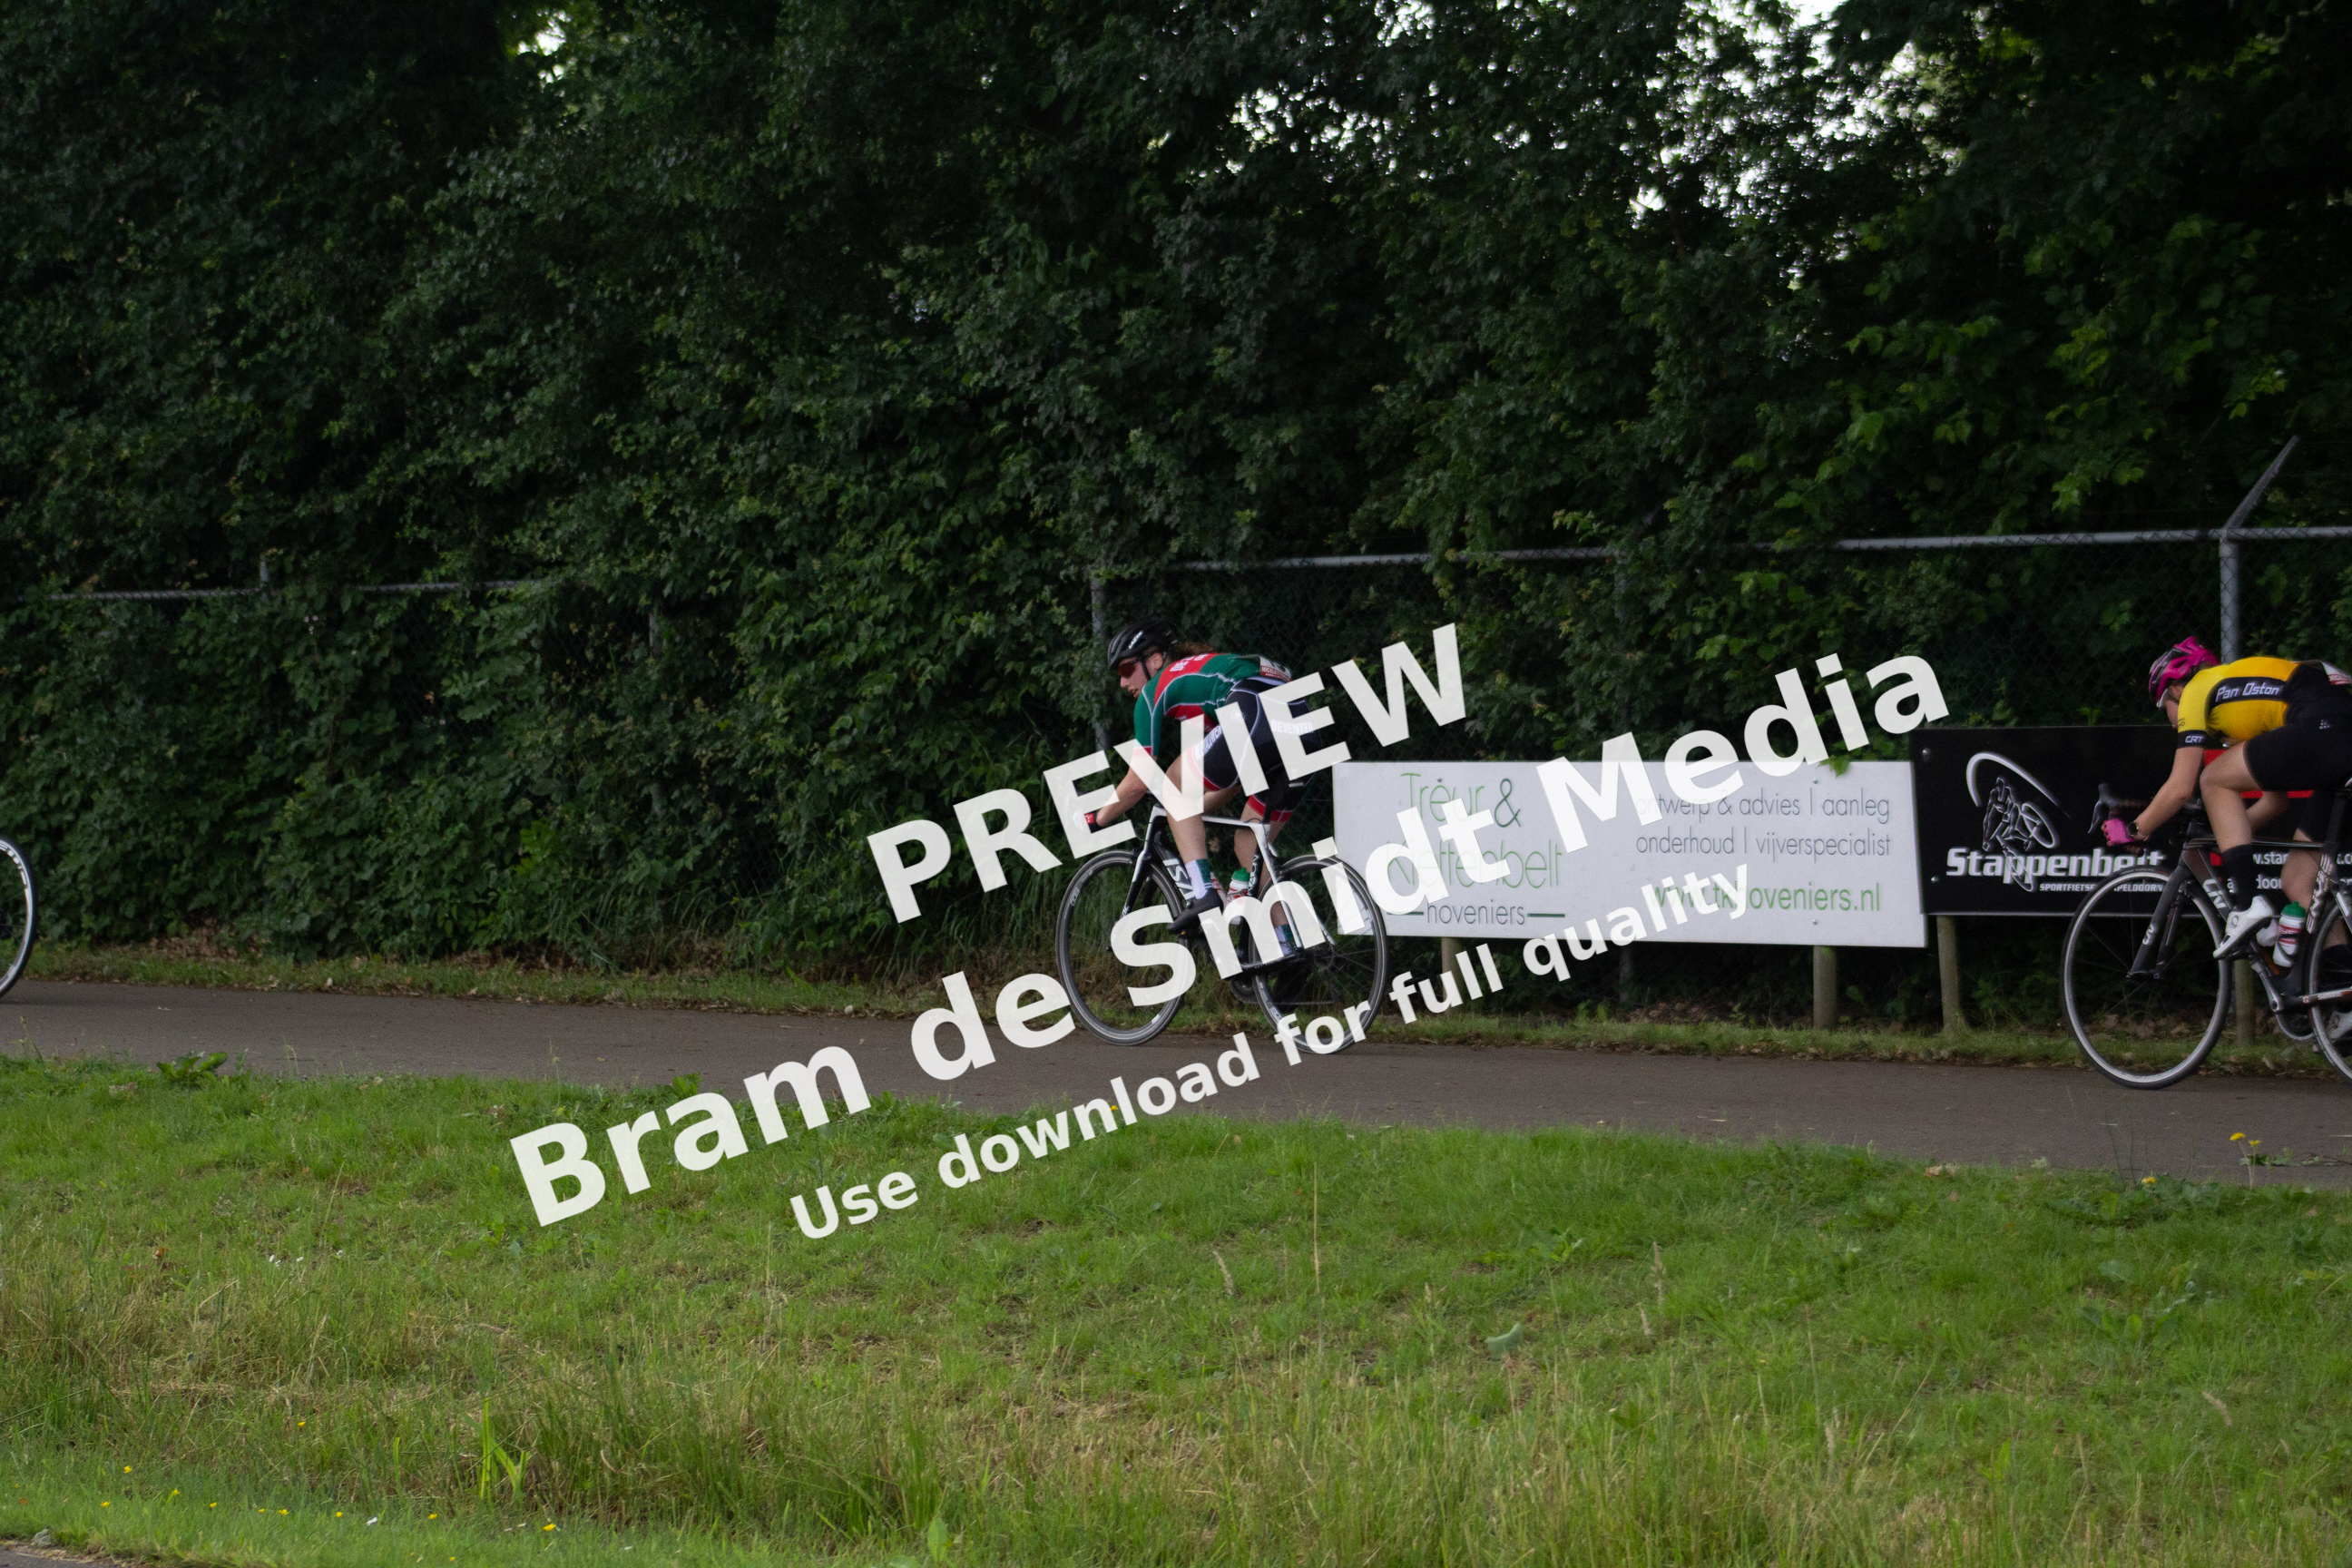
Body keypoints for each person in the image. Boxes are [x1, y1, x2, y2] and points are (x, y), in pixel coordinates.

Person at [2103, 637, 2352, 961]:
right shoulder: (2246, 702)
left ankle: (2248, 905)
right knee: (2298, 882)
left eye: (2164, 707)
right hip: (2335, 734)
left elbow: (2180, 787)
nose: (2171, 721)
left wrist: (2136, 829)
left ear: (2175, 689)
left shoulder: (2197, 688)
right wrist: (2225, 834)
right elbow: (2274, 803)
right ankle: (2344, 990)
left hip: (2323, 727)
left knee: (2213, 778)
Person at [1088, 619, 1307, 931]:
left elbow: (1139, 781)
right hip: (1304, 729)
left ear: (1155, 660)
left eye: (1126, 669)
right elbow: (1237, 778)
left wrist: (1095, 820)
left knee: (1172, 781)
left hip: (1252, 714)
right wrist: (1187, 811)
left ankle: (1204, 895)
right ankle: (1292, 947)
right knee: (1248, 845)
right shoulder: (1204, 681)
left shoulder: (1154, 690)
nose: (1123, 683)